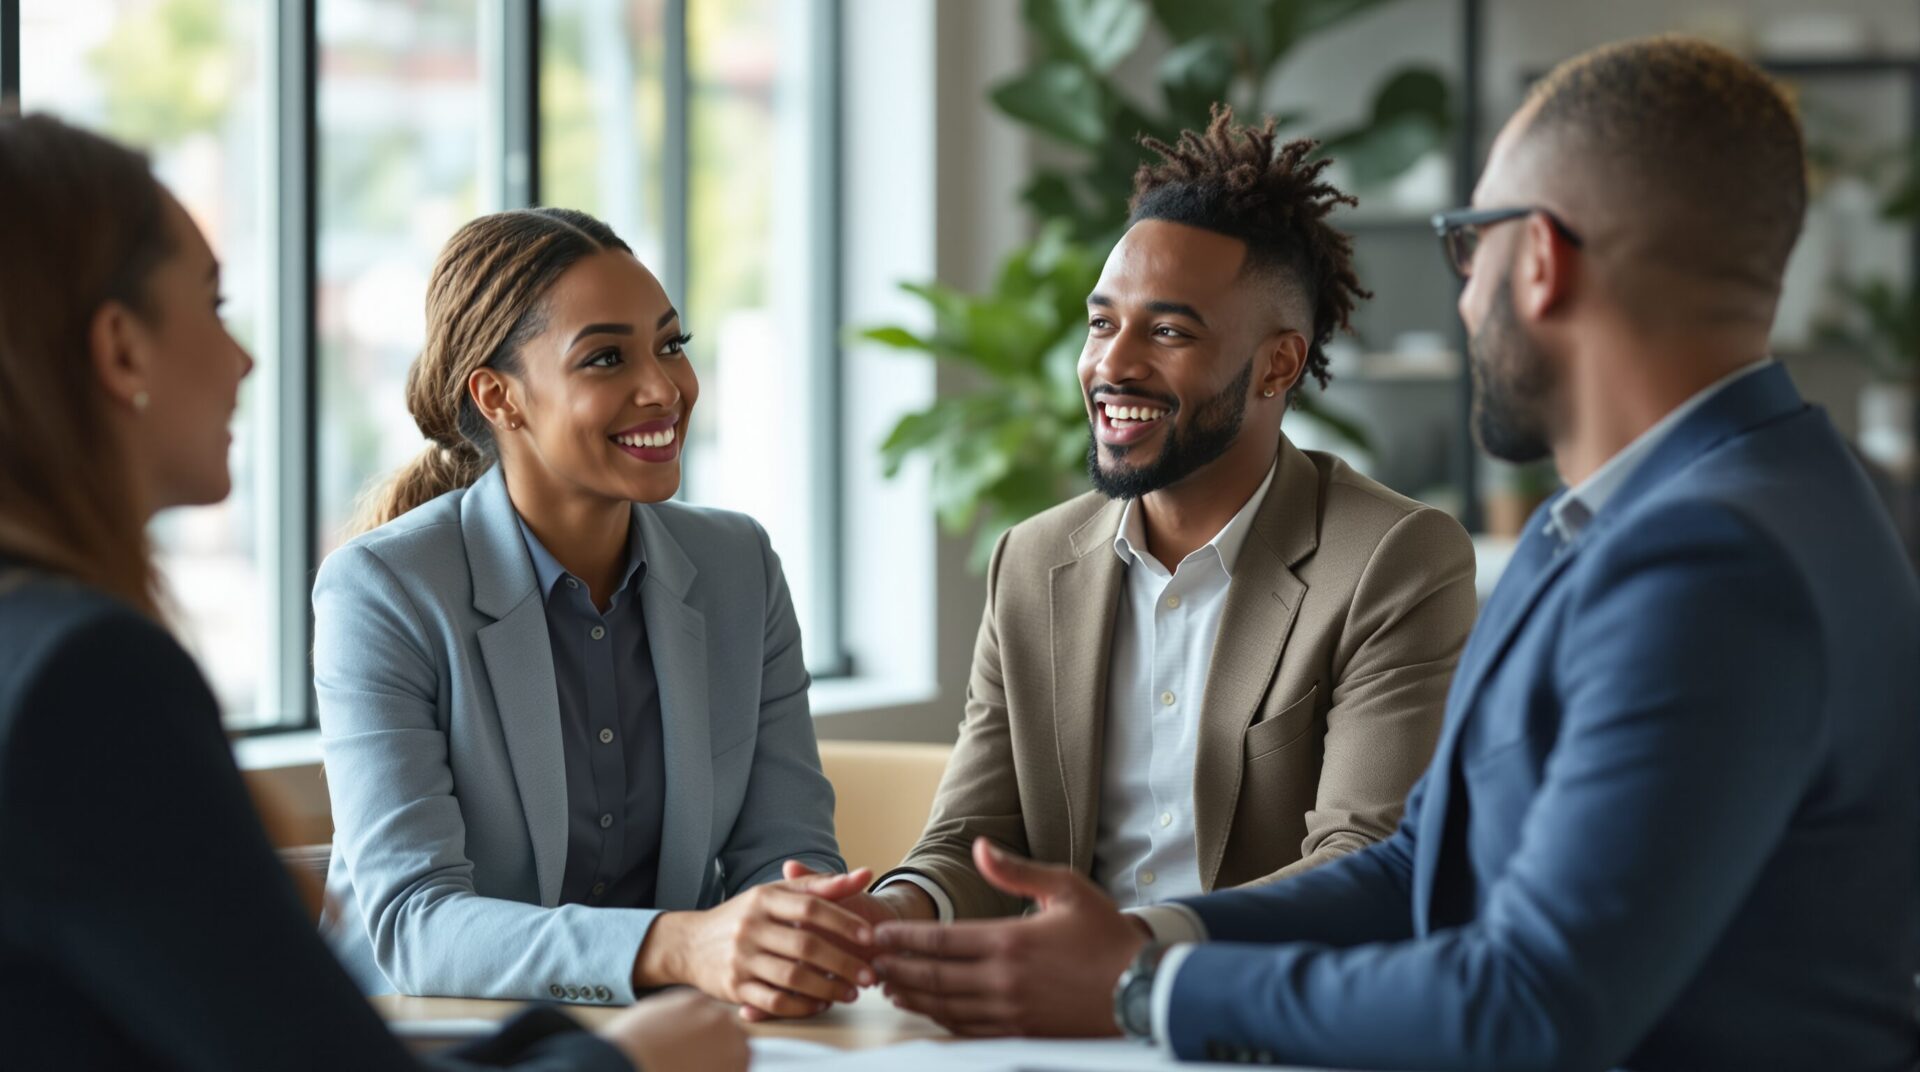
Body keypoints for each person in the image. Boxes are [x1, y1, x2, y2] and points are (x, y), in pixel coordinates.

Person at [869, 37, 1920, 1072]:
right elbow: (1421, 864)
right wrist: (1142, 944)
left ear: (1541, 261)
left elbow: (1533, 1001)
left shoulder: (1711, 561)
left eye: (1469, 246)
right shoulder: (1626, 522)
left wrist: (1143, 991)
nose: (1464, 299)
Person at [0, 111, 747, 1072]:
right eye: (214, 305)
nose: (245, 361)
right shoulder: (84, 680)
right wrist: (629, 1062)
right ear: (121, 350)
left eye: (669, 344)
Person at [807, 108, 1475, 939]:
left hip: (1249, 1018)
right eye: (1100, 324)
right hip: (1044, 1028)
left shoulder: (1392, 559)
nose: (1111, 366)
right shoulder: (1033, 559)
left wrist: (1133, 947)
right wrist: (877, 914)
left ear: (1278, 363)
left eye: (1167, 332)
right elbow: (975, 837)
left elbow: (1366, 859)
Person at [315, 206, 875, 1021]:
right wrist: (681, 944)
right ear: (500, 397)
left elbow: (785, 857)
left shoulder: (737, 567)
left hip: (675, 1035)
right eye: (607, 357)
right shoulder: (381, 590)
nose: (665, 388)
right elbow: (415, 925)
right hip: (443, 1041)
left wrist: (803, 926)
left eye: (671, 345)